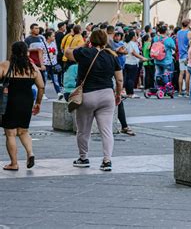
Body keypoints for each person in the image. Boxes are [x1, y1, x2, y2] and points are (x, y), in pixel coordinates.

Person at [65, 30, 123, 171]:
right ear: (105, 41)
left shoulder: (84, 53)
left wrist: (85, 45)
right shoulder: (112, 56)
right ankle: (107, 161)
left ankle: (83, 158)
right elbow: (119, 79)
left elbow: (67, 52)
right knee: (106, 130)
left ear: (91, 40)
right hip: (107, 95)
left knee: (83, 130)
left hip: (88, 95)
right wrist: (118, 94)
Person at [0, 42, 44, 171]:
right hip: (27, 101)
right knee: (23, 131)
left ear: (12, 51)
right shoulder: (32, 67)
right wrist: (38, 103)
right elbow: (41, 86)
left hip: (10, 102)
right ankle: (30, 153)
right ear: (26, 52)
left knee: (10, 133)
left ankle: (14, 163)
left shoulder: (5, 65)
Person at [123, 31, 146, 99]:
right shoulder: (132, 43)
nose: (137, 37)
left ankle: (128, 92)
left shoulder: (127, 43)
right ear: (133, 37)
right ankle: (131, 93)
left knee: (127, 79)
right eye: (136, 36)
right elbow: (133, 53)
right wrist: (142, 58)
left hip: (127, 62)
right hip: (132, 63)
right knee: (131, 79)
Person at [42, 31, 63, 99]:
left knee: (55, 79)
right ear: (48, 37)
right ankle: (43, 94)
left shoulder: (54, 43)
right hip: (45, 64)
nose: (54, 37)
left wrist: (55, 62)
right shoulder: (43, 44)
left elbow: (55, 53)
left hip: (53, 64)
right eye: (53, 36)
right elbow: (41, 54)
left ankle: (59, 93)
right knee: (44, 79)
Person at [177, 19, 191, 97]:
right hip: (187, 55)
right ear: (188, 24)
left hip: (180, 55)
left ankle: (179, 91)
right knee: (187, 74)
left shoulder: (178, 32)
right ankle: (187, 91)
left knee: (181, 73)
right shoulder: (189, 33)